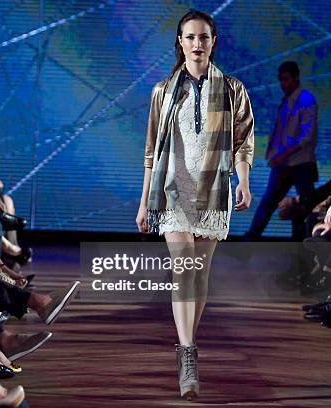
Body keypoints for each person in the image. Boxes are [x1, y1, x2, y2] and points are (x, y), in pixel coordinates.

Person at [135, 10, 254, 400]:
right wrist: (143, 203)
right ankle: (188, 355)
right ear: (180, 42)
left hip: (215, 190)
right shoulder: (162, 91)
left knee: (198, 275)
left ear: (213, 41)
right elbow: (151, 152)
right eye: (190, 37)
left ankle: (187, 344)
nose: (197, 44)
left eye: (203, 37)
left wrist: (244, 182)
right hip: (173, 191)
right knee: (185, 268)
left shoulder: (234, 89)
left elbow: (243, 142)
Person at [246, 61, 318, 241]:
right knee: (267, 204)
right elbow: (281, 132)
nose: (283, 84)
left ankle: (303, 247)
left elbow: (305, 137)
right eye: (281, 80)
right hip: (284, 163)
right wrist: (273, 155)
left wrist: (281, 156)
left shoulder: (306, 100)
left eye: (286, 79)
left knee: (305, 206)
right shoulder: (286, 101)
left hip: (301, 164)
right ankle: (248, 242)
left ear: (296, 78)